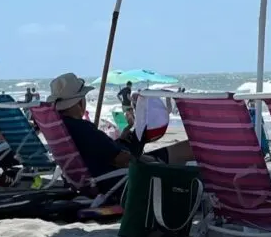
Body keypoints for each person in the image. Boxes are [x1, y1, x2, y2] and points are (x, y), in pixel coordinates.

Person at [47, 73, 193, 179]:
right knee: (184, 150)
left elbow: (101, 152)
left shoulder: (61, 128)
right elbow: (122, 160)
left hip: (103, 172)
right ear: (80, 102)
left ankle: (143, 131)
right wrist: (148, 161)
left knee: (151, 143)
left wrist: (121, 140)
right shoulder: (82, 129)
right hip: (118, 179)